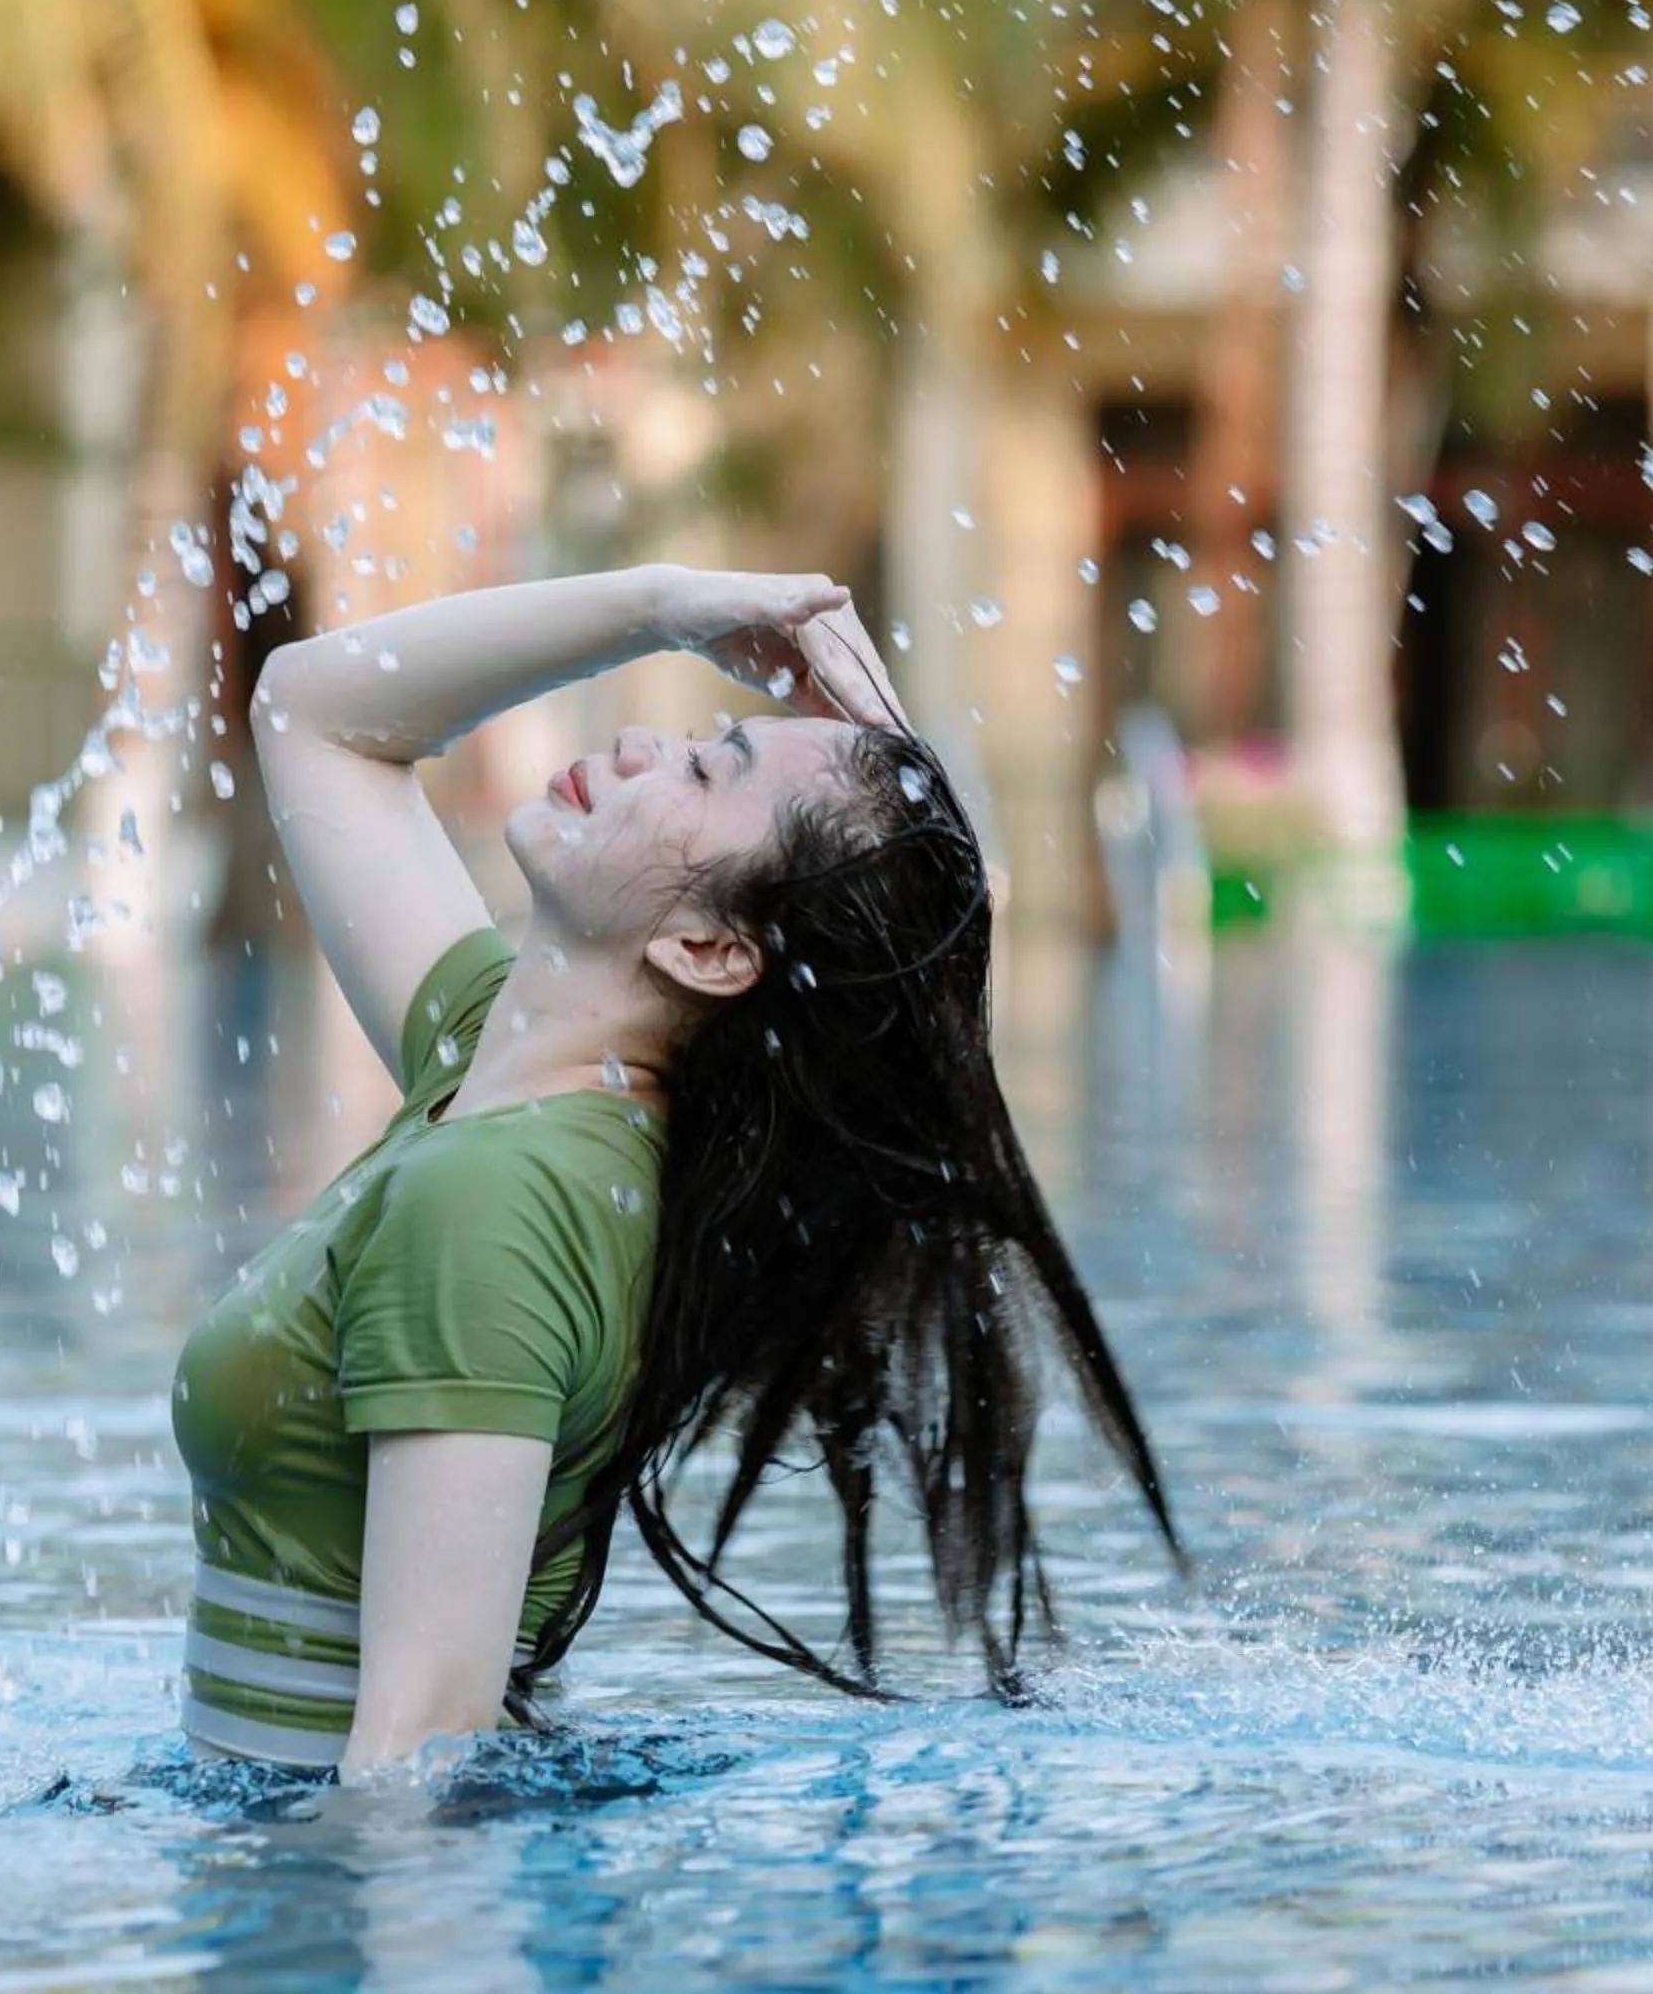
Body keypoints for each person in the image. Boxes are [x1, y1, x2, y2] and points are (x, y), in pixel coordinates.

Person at [168, 562, 1179, 1779]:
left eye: (705, 771)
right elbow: (314, 714)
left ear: (705, 946)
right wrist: (659, 605)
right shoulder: (496, 1073)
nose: (644, 741)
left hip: (329, 1899)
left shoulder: (498, 1197)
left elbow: (417, 1770)